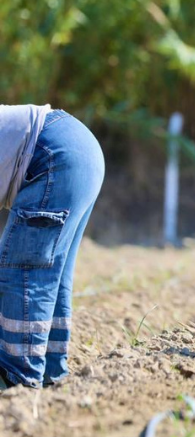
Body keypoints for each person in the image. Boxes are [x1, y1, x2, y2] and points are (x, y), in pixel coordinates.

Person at [0, 105, 104, 390]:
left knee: (22, 270)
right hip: (79, 147)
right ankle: (52, 375)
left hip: (53, 153)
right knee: (51, 275)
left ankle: (17, 384)